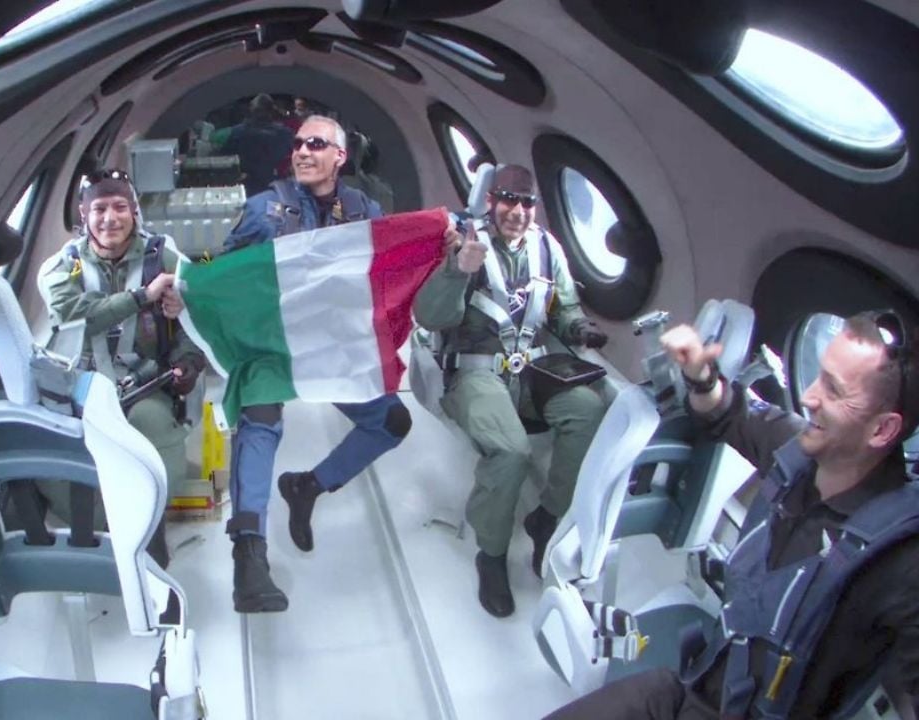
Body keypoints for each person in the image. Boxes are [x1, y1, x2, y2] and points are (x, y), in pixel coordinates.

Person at [547, 311, 919, 719]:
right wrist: (700, 375)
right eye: (818, 376)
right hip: (695, 689)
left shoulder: (902, 562)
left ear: (883, 430)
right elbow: (728, 412)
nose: (809, 396)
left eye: (834, 390)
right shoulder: (797, 448)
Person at [219, 114, 457, 613]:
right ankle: (249, 555)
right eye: (298, 143)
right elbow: (221, 270)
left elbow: (389, 262)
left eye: (316, 144)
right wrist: (190, 284)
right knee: (259, 421)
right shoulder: (264, 209)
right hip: (274, 342)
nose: (303, 151)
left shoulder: (363, 211)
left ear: (340, 157)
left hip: (331, 343)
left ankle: (307, 486)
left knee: (391, 422)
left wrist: (443, 242)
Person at [413, 164, 608, 618]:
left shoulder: (547, 249)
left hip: (535, 366)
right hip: (474, 371)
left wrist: (580, 328)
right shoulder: (463, 243)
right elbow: (430, 317)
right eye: (508, 200)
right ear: (491, 201)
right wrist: (457, 271)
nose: (517, 211)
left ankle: (547, 518)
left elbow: (564, 309)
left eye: (526, 202)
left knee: (589, 412)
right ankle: (492, 553)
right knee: (512, 450)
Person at [36, 168, 206, 569]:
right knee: (59, 463)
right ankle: (110, 529)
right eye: (99, 209)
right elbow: (74, 314)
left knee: (152, 426)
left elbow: (195, 319)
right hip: (83, 384)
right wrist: (141, 296)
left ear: (134, 211)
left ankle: (151, 526)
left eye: (119, 207)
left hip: (148, 383)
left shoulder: (163, 259)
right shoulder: (65, 267)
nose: (110, 218)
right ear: (84, 214)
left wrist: (188, 359)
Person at [220, 94, 295, 197]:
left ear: (251, 111)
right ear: (271, 111)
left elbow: (225, 156)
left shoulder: (238, 132)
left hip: (248, 185)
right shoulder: (285, 133)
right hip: (276, 185)